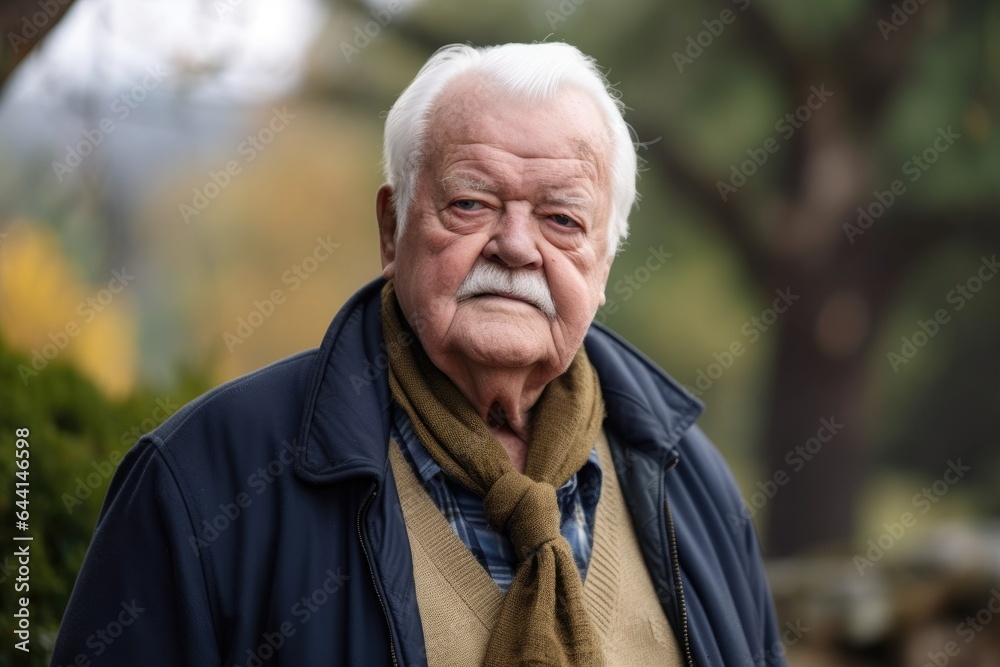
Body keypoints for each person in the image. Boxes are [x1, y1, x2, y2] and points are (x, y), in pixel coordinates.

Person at [52, 42, 784, 667]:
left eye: (562, 218)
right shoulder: (202, 483)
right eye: (471, 203)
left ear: (604, 264)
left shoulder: (697, 491)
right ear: (390, 226)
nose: (517, 247)